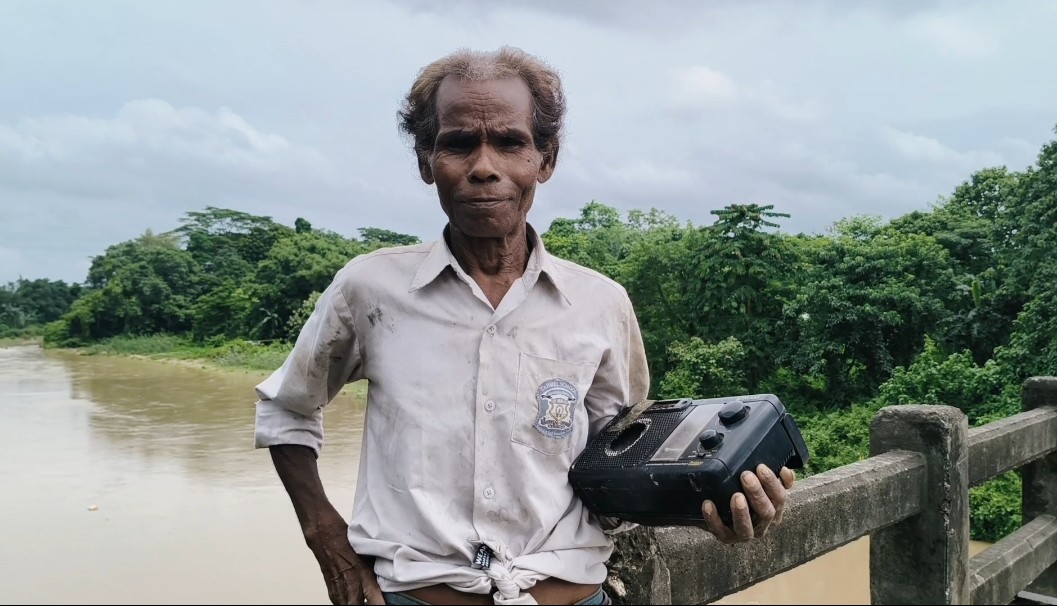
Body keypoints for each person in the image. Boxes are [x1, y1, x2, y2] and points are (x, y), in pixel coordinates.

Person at [253, 46, 796, 606]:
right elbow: (287, 407)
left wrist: (709, 507)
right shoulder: (370, 289)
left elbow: (618, 464)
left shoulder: (600, 303)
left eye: (510, 142)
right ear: (425, 160)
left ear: (545, 159)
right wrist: (323, 532)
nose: (484, 167)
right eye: (458, 143)